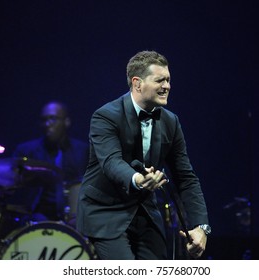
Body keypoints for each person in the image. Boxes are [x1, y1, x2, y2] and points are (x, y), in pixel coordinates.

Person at [76, 50, 210, 260]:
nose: (167, 86)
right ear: (137, 83)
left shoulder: (170, 121)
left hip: (145, 212)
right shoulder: (105, 116)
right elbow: (111, 162)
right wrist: (138, 179)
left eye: (168, 80)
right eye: (160, 80)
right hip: (106, 211)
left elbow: (185, 177)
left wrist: (201, 227)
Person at [9, 101, 89, 227]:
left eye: (53, 119)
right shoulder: (27, 150)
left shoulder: (83, 151)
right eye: (44, 120)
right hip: (37, 216)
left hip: (75, 217)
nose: (47, 124)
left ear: (66, 122)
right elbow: (10, 182)